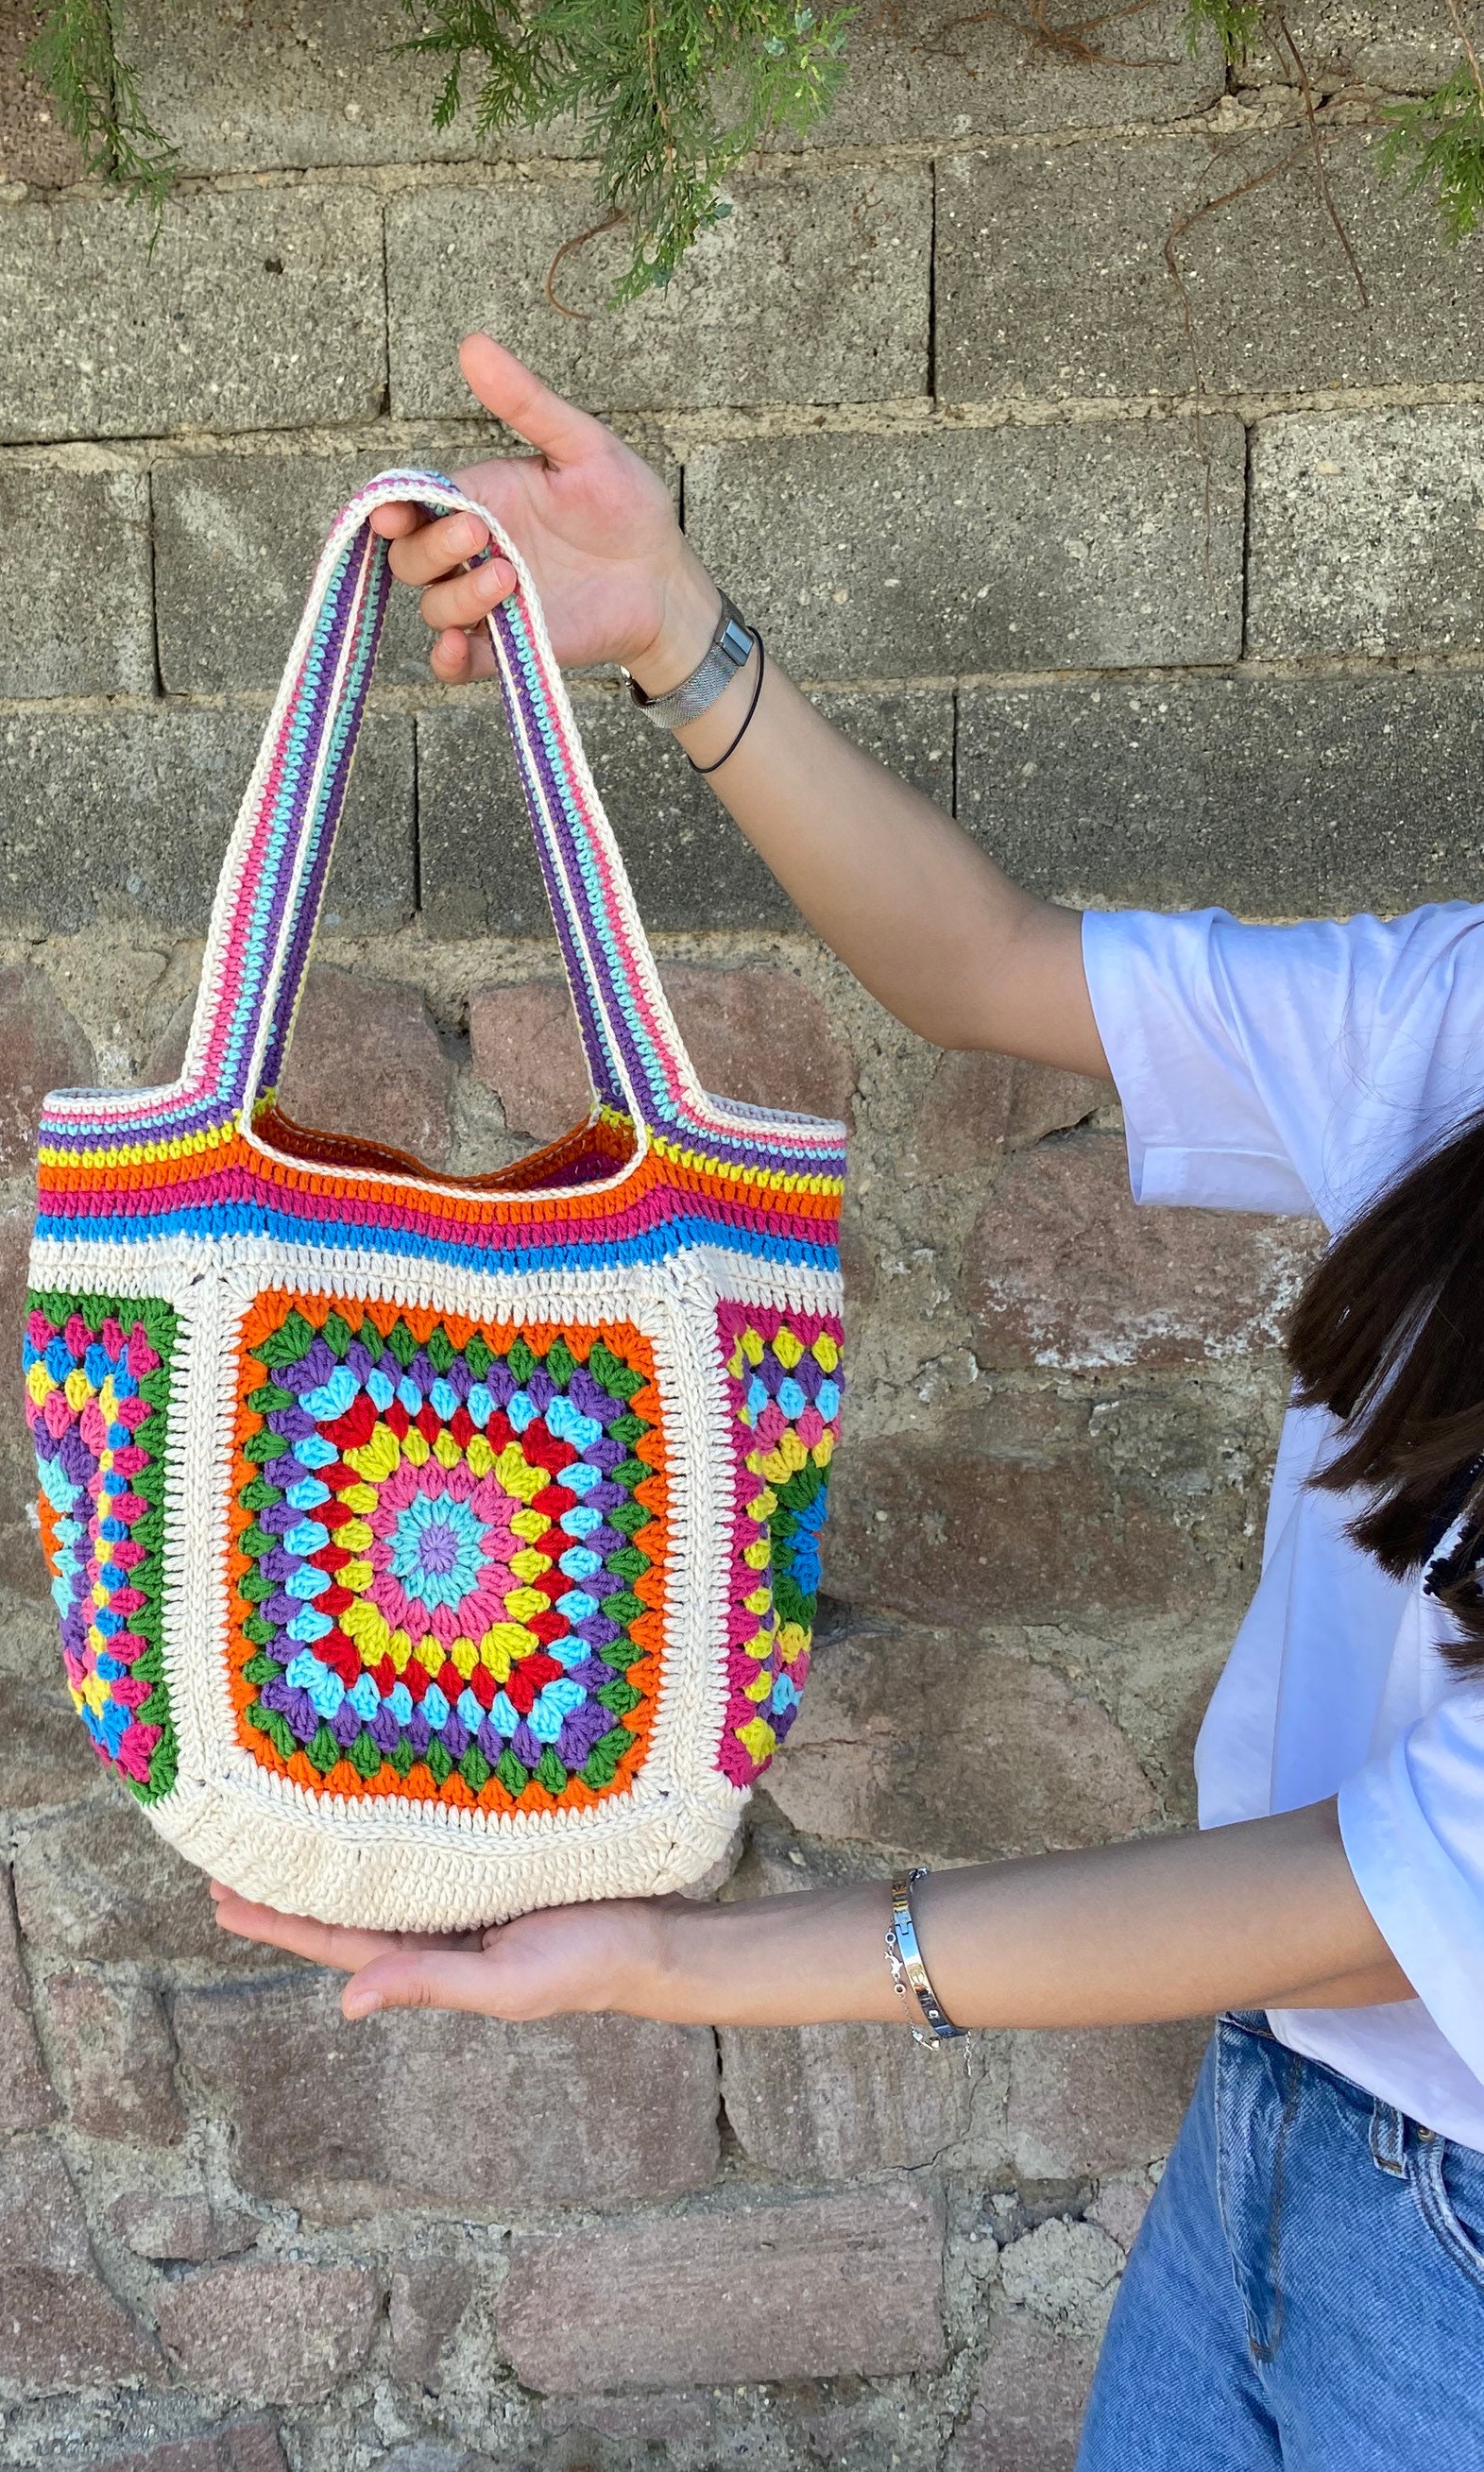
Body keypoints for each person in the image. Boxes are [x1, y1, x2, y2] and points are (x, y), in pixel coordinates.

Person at [213, 333, 1484, 2467]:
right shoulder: (1462, 1007)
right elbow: (989, 965)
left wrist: (672, 1968)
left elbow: (1379, 1880)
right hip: (1283, 2129)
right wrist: (676, 635)